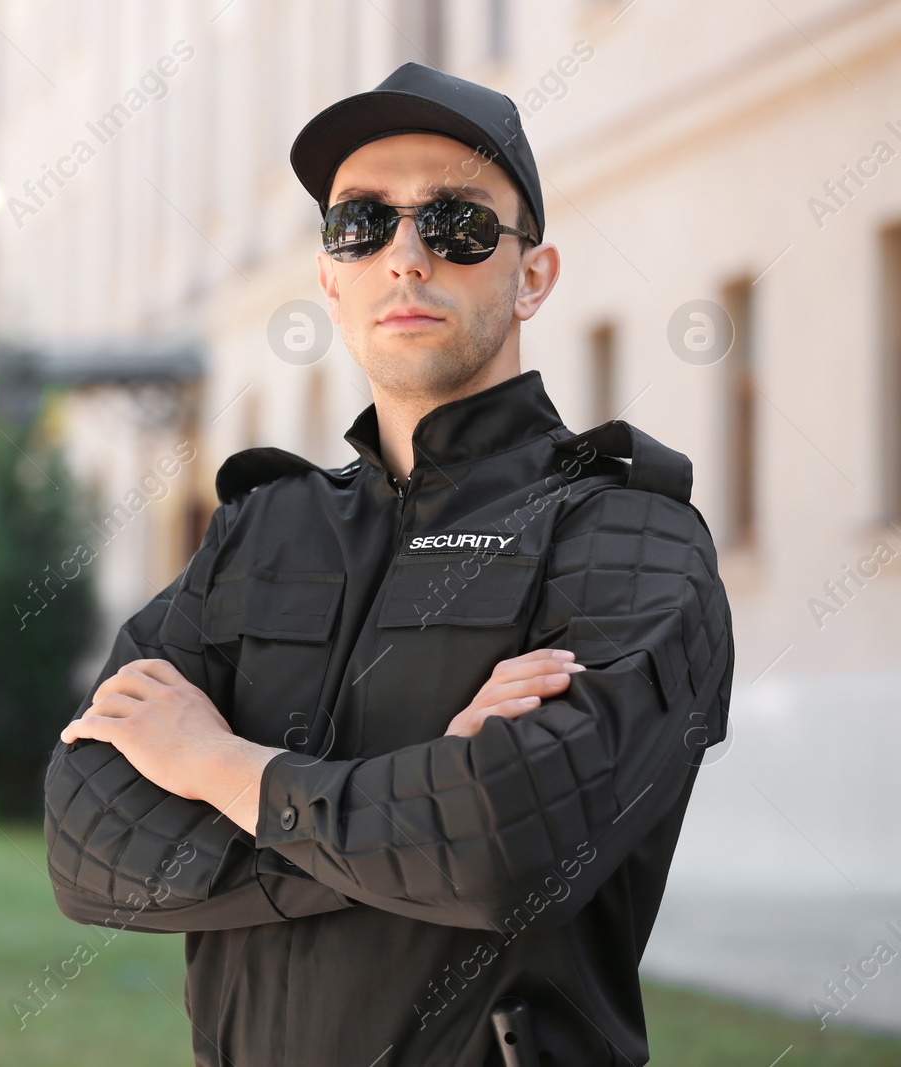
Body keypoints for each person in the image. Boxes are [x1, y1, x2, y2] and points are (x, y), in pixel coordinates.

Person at [42, 61, 734, 1067]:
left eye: (455, 224)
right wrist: (411, 806)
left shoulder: (628, 538)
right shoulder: (258, 531)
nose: (404, 256)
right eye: (360, 223)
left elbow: (505, 847)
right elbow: (87, 842)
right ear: (330, 275)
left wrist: (211, 763)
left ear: (531, 274)